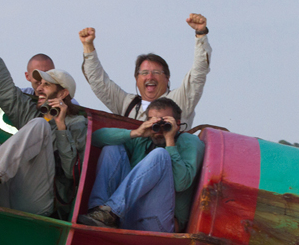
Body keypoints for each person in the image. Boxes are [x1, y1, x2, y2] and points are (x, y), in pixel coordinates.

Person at [0, 4, 87, 219]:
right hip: (7, 190)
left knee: (41, 125)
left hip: (38, 201)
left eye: (46, 84)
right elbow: (2, 86)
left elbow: (72, 173)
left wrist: (60, 127)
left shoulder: (77, 122)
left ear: (62, 94)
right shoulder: (32, 112)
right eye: (38, 82)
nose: (39, 88)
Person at [78, 97, 205, 233]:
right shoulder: (144, 139)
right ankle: (99, 213)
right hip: (127, 215)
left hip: (158, 224)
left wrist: (170, 140)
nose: (159, 129)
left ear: (177, 123)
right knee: (112, 148)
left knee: (160, 155)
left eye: (165, 122)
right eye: (154, 121)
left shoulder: (190, 142)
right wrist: (136, 133)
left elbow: (181, 184)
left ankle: (111, 211)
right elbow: (96, 139)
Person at [79, 13, 212, 129]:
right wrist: (88, 46)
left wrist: (201, 35)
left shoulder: (179, 100)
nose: (150, 77)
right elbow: (99, 82)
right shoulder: (127, 104)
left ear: (167, 78)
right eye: (144, 73)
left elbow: (198, 74)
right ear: (136, 79)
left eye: (156, 72)